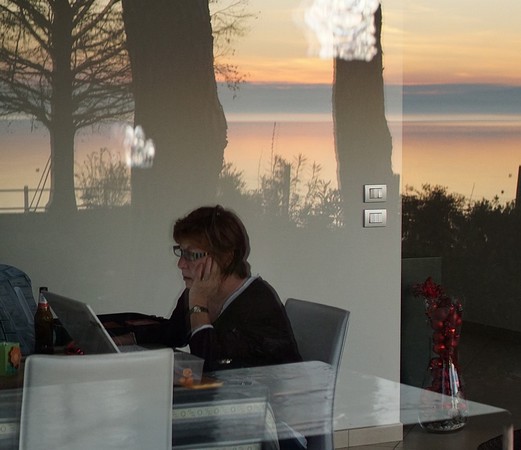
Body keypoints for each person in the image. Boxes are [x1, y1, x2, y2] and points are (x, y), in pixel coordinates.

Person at [160, 205, 302, 372]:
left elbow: (211, 368)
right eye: (181, 252)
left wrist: (198, 301)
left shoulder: (256, 304)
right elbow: (172, 335)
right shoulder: (202, 288)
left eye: (192, 255)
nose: (181, 264)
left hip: (268, 395)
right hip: (231, 394)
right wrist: (125, 337)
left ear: (226, 257)